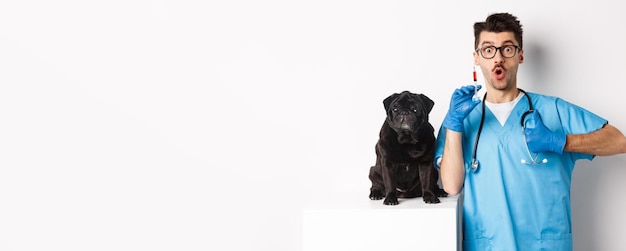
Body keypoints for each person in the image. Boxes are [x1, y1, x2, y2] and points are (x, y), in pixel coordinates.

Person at [434, 12, 626, 250]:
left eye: (507, 49)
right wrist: (453, 125)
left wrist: (560, 142)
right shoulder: (462, 117)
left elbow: (618, 141)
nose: (498, 58)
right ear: (476, 57)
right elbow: (451, 186)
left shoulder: (553, 110)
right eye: (488, 49)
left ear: (520, 55)